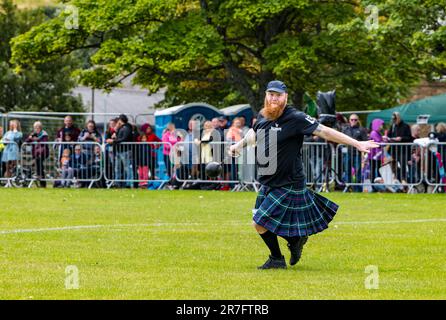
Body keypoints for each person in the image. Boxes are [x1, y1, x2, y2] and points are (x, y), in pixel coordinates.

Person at [229, 80, 378, 269]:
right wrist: (238, 145)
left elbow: (325, 131)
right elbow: (254, 132)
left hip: (289, 182)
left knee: (259, 221)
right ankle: (283, 253)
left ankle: (288, 246)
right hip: (268, 180)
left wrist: (357, 144)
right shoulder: (263, 114)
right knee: (261, 223)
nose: (274, 98)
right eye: (270, 94)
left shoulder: (295, 117)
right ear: (266, 95)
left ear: (285, 97)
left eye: (278, 95)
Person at [341, 114, 369, 192]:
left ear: (358, 120)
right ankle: (348, 188)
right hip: (347, 154)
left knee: (358, 172)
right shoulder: (345, 129)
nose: (353, 121)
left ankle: (358, 189)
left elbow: (365, 141)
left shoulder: (361, 130)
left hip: (357, 154)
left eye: (355, 120)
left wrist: (364, 155)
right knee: (347, 171)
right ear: (349, 120)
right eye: (351, 119)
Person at [105, 114, 134, 188]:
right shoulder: (122, 128)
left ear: (120, 121)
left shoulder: (127, 128)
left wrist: (113, 141)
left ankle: (129, 184)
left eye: (118, 121)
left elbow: (124, 138)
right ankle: (117, 183)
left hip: (125, 151)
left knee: (127, 168)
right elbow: (120, 138)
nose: (117, 122)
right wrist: (115, 134)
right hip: (119, 151)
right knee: (117, 168)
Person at [384, 112, 412, 182]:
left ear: (398, 118)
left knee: (403, 165)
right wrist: (386, 138)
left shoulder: (406, 126)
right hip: (394, 150)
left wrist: (401, 138)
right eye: (393, 119)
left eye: (395, 119)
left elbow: (409, 137)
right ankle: (395, 179)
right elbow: (389, 136)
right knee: (393, 165)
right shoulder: (393, 126)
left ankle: (403, 180)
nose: (394, 121)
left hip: (403, 150)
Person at [25, 121, 49, 188]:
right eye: (35, 127)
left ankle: (40, 178)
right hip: (35, 154)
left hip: (43, 153)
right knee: (39, 166)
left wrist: (37, 139)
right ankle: (42, 184)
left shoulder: (44, 134)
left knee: (39, 162)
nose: (36, 129)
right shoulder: (33, 134)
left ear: (41, 128)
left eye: (38, 127)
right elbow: (26, 141)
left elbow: (44, 142)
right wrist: (29, 138)